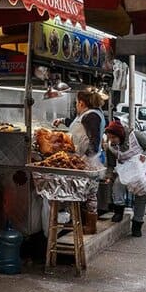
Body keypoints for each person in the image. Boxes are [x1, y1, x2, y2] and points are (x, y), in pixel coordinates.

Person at [53, 89, 107, 233]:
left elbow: (94, 141)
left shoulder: (92, 116)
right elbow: (79, 127)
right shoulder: (90, 114)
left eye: (77, 102)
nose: (76, 105)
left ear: (82, 103)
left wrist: (84, 160)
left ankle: (90, 225)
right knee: (87, 193)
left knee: (89, 194)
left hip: (89, 160)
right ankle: (83, 223)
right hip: (86, 158)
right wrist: (63, 121)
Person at [104, 120, 146, 237]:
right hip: (125, 171)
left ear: (120, 135)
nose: (112, 140)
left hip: (140, 169)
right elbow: (111, 164)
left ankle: (137, 223)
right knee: (118, 183)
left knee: (141, 193)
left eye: (114, 137)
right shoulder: (110, 146)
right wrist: (109, 177)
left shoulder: (136, 136)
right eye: (110, 138)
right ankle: (118, 211)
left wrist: (144, 155)